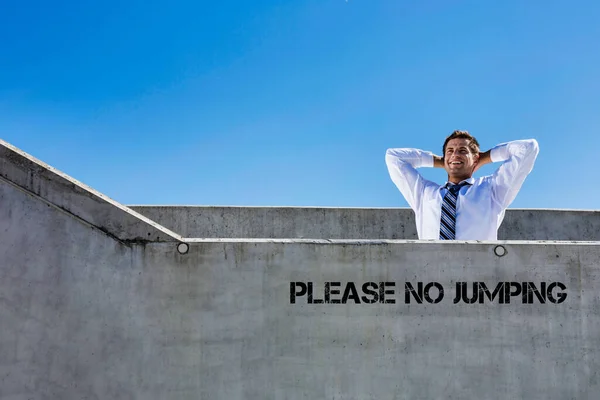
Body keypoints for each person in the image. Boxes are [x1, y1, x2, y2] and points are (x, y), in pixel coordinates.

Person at [385, 130, 539, 240]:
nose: (455, 154)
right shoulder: (424, 192)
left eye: (462, 151)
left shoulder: (492, 189)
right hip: (431, 278)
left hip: (477, 278)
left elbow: (528, 148)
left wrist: (484, 158)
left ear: (475, 158)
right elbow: (394, 157)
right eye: (450, 151)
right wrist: (442, 162)